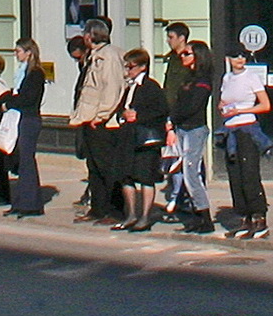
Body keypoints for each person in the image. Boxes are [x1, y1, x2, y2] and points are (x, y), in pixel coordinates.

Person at [162, 24, 220, 230]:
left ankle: (204, 217)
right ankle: (196, 215)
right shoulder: (187, 77)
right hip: (182, 128)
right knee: (182, 171)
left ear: (197, 57)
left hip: (194, 129)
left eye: (187, 53)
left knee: (191, 172)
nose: (183, 56)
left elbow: (192, 106)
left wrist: (173, 119)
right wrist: (171, 122)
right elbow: (178, 102)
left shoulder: (202, 81)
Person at [217, 45, 273, 240]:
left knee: (250, 175)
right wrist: (223, 107)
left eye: (243, 56)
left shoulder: (251, 77)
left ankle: (259, 219)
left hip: (247, 129)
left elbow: (265, 105)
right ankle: (244, 219)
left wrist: (241, 110)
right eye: (236, 56)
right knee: (236, 176)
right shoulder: (226, 78)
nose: (240, 60)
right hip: (230, 130)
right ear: (228, 59)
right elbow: (223, 102)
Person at [70, 23, 126, 221]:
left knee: (107, 167)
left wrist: (100, 116)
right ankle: (98, 208)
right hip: (89, 119)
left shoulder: (108, 56)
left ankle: (115, 210)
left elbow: (112, 89)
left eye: (85, 34)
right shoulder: (94, 56)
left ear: (90, 36)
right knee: (94, 168)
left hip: (103, 122)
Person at [114, 47, 169, 230]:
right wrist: (123, 114)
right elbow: (121, 108)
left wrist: (138, 116)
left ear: (142, 66)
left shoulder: (151, 86)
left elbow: (161, 110)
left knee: (145, 177)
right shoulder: (129, 87)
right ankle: (130, 214)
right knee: (126, 176)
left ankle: (145, 216)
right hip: (128, 137)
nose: (127, 71)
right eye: (126, 66)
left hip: (145, 139)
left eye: (131, 67)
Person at [0, 38, 48, 217]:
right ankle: (20, 202)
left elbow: (27, 98)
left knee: (27, 161)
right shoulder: (22, 72)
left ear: (29, 52)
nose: (16, 54)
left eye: (18, 51)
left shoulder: (35, 73)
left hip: (29, 119)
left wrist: (9, 103)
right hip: (20, 118)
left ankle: (31, 204)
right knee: (21, 162)